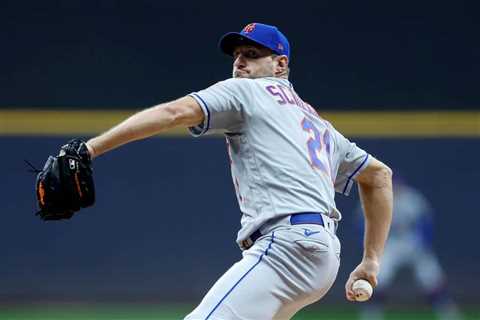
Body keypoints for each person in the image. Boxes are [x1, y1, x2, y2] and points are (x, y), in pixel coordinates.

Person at [84, 22, 393, 320]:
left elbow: (173, 112)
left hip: (287, 247)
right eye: (237, 55)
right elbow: (379, 176)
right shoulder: (319, 125)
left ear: (280, 64)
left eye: (253, 54)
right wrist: (371, 262)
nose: (241, 62)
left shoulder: (247, 92)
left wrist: (90, 149)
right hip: (321, 256)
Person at [358, 177, 462, 320]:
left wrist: (424, 243)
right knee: (378, 277)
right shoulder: (377, 198)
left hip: (412, 241)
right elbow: (363, 223)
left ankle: (447, 313)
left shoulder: (411, 198)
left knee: (431, 277)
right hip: (389, 243)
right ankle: (371, 315)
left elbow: (426, 222)